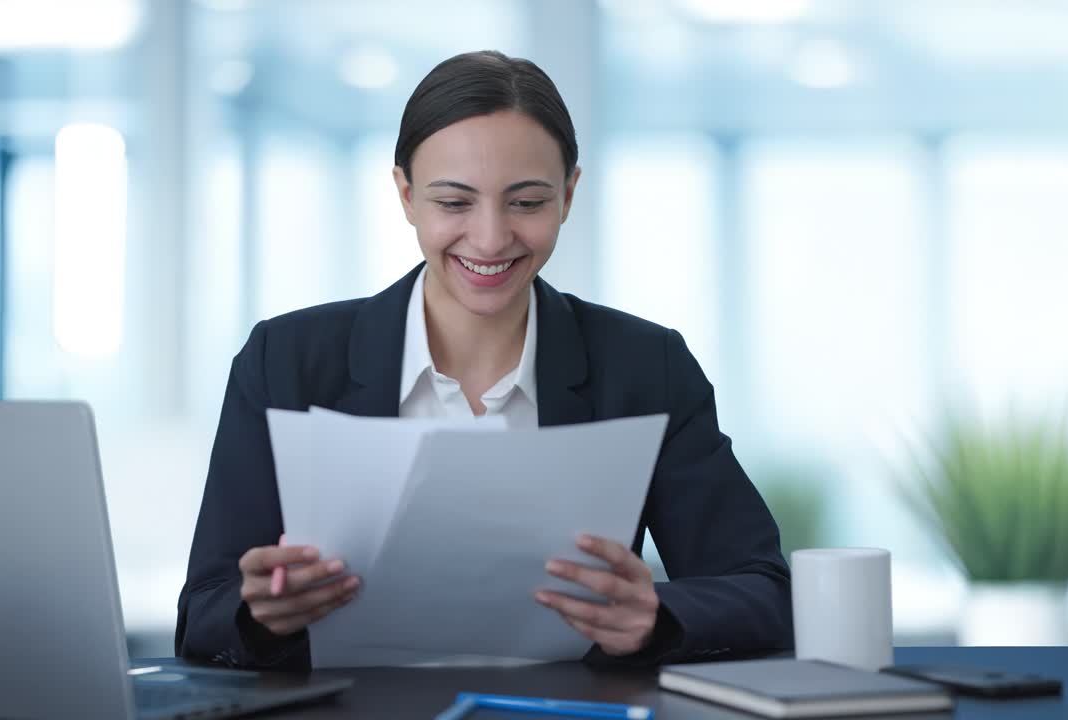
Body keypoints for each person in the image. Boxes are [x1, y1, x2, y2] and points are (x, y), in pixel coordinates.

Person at [176, 50, 792, 671]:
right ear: (406, 194)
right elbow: (204, 612)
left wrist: (654, 616)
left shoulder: (645, 365)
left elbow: (763, 591)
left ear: (569, 194)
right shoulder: (285, 360)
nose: (492, 238)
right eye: (453, 203)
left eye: (526, 203)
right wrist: (260, 615)